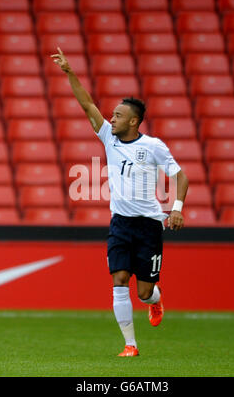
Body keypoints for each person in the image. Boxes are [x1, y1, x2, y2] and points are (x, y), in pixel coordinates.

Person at [51, 48, 189, 357]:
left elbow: (181, 177)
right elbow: (86, 104)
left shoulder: (153, 146)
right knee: (119, 279)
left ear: (134, 121)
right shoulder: (108, 138)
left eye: (117, 116)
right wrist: (69, 72)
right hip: (120, 224)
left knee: (143, 291)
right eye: (111, 114)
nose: (110, 118)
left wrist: (177, 208)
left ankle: (155, 298)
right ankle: (130, 345)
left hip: (150, 226)